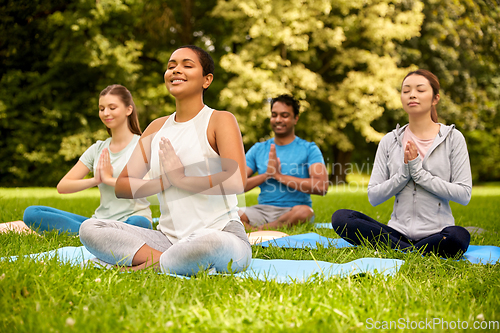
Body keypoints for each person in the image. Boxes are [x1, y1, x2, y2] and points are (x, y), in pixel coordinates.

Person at [79, 45, 252, 276]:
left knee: (209, 244)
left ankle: (141, 265)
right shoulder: (157, 128)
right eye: (171, 66)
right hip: (167, 239)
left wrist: (182, 178)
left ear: (206, 80)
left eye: (187, 65)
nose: (176, 70)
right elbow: (123, 186)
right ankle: (164, 261)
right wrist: (165, 182)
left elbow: (237, 181)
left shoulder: (219, 120)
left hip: (220, 233)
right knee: (90, 228)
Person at [331, 69, 472, 258]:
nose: (412, 94)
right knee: (341, 218)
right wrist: (404, 174)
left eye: (420, 90)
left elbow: (464, 194)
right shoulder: (389, 140)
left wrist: (419, 173)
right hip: (397, 232)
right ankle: (411, 251)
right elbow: (374, 196)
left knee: (458, 236)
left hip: (438, 233)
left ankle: (399, 250)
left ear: (435, 98)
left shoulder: (453, 138)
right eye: (406, 90)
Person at [21, 85, 152, 234]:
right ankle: (96, 234)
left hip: (133, 220)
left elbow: (146, 186)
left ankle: (92, 235)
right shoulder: (97, 149)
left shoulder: (142, 145)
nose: (106, 113)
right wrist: (95, 180)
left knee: (138, 223)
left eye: (112, 107)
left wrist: (108, 179)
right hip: (99, 221)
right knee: (32, 212)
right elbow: (63, 186)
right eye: (101, 109)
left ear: (128, 110)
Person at [239, 94, 329, 230]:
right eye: (274, 115)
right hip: (261, 211)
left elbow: (321, 187)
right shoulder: (258, 149)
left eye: (284, 115)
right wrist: (266, 175)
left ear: (295, 119)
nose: (278, 120)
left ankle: (258, 231)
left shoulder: (309, 149)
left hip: (293, 211)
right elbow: (237, 185)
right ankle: (267, 229)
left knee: (305, 213)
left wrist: (279, 176)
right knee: (227, 213)